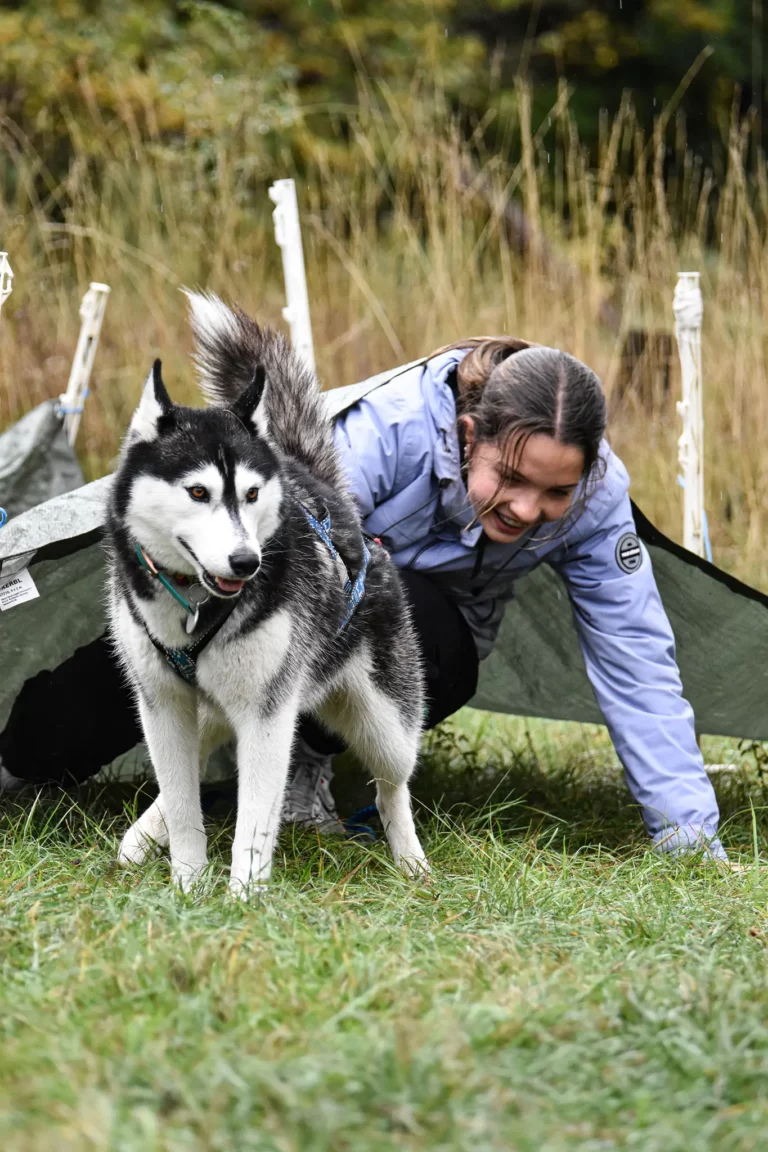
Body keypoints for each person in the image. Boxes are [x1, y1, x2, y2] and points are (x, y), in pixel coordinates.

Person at [0, 337, 725, 860]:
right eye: (511, 477)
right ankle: (28, 755)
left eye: (556, 492)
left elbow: (635, 656)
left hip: (400, 629)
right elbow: (273, 546)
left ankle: (300, 776)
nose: (528, 509)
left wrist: (686, 831)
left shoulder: (599, 502)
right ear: (469, 436)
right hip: (276, 581)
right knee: (110, 692)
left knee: (425, 631)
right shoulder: (392, 431)